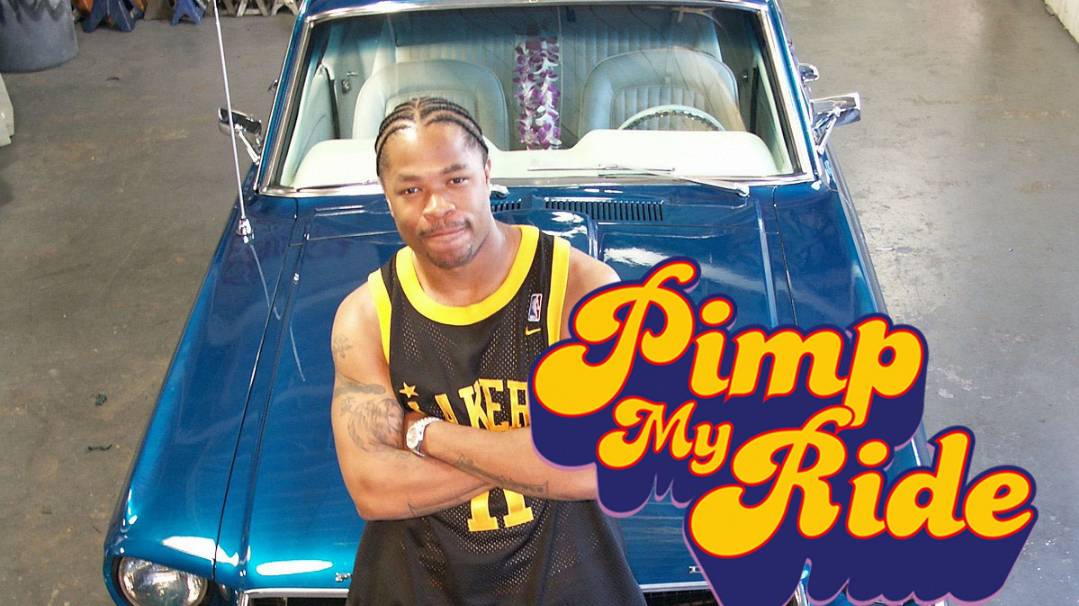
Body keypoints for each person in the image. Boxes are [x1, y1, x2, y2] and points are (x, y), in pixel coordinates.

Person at [330, 97, 646, 605]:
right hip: (418, 588)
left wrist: (423, 433)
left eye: (456, 179)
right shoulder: (367, 316)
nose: (437, 207)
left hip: (569, 584)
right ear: (387, 197)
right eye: (411, 189)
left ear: (487, 173)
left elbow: (604, 464)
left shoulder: (579, 288)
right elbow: (373, 489)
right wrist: (533, 458)